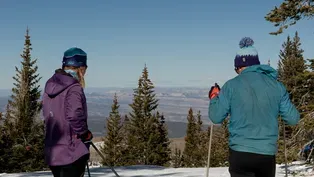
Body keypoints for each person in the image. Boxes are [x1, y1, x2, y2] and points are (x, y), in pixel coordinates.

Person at [208, 37, 300, 177]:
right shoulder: (277, 86)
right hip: (266, 153)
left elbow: (216, 117)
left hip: (239, 151)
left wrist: (214, 98)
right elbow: (293, 119)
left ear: (239, 67)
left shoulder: (230, 86)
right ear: (256, 64)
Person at [42, 47, 93, 177]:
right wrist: (85, 133)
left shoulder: (50, 85)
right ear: (81, 68)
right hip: (72, 152)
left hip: (53, 152)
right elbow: (74, 115)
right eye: (85, 69)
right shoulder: (74, 87)